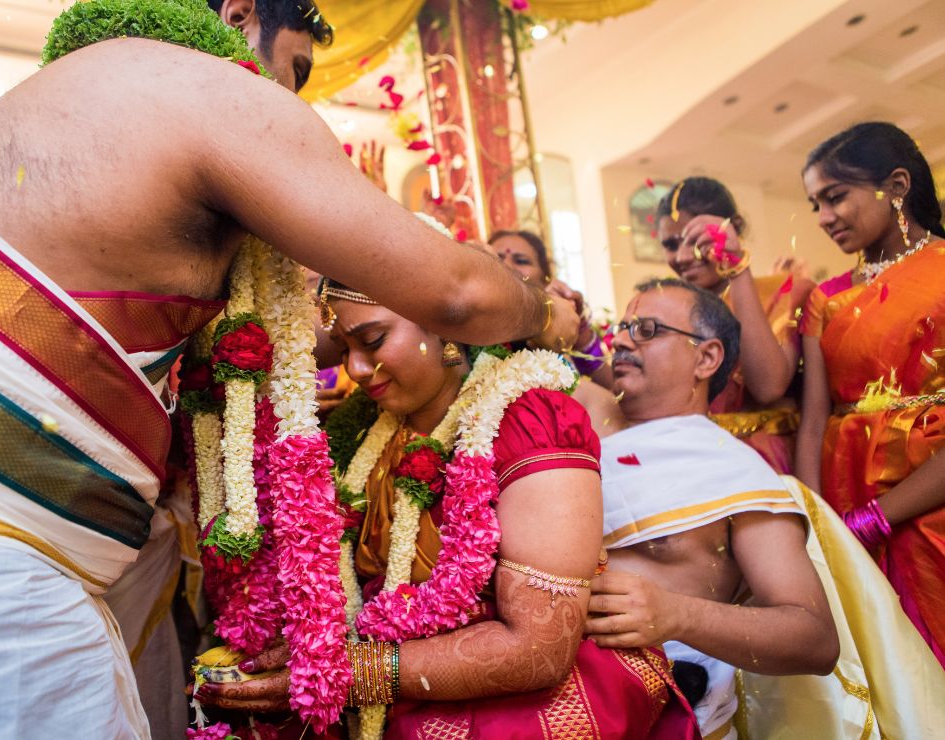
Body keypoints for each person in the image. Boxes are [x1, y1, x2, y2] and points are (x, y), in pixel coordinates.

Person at [0, 1, 585, 736]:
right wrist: (546, 316)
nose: (288, 99)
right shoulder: (214, 95)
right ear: (236, 17)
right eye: (292, 69)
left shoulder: (7, 117)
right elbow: (456, 293)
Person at [194, 253, 699, 738]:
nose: (357, 369)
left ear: (445, 328)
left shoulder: (531, 420)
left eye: (372, 340)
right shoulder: (362, 426)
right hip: (388, 672)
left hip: (526, 700)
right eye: (345, 347)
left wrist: (344, 671)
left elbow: (541, 648)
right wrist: (314, 649)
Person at [584, 278, 839, 738]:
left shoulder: (736, 474)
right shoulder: (579, 421)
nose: (620, 340)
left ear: (706, 358)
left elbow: (815, 639)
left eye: (646, 329)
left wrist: (675, 614)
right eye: (622, 327)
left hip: (665, 710)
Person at [797, 121, 945, 666]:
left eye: (835, 197)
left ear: (898, 186)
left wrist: (881, 516)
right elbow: (815, 420)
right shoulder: (827, 298)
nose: (823, 218)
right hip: (842, 492)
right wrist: (817, 520)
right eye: (815, 203)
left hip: (929, 496)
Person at [655, 177, 814, 473]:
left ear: (735, 227)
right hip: (691, 461)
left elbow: (769, 388)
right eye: (670, 245)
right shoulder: (669, 309)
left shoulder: (786, 290)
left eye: (695, 240)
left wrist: (736, 266)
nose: (683, 256)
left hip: (765, 464)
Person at [489, 229, 615, 389]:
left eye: (521, 261)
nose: (506, 265)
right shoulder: (462, 326)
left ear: (545, 280)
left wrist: (581, 334)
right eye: (496, 257)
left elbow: (611, 391)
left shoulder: (551, 346)